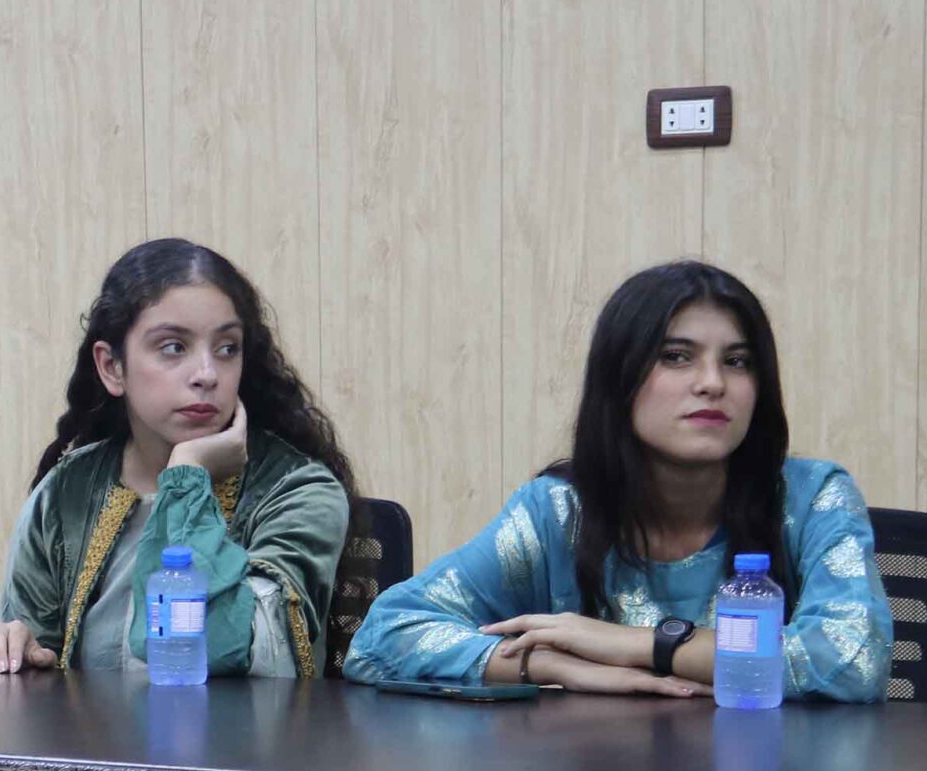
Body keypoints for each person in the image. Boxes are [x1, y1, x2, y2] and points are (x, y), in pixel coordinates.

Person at [346, 260, 891, 700]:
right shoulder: (559, 512)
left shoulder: (812, 498)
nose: (712, 383)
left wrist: (642, 645)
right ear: (620, 377)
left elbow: (852, 659)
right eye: (676, 357)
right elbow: (382, 637)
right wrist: (554, 665)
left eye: (738, 362)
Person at [0, 238, 356, 675]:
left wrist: (187, 476)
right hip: (90, 725)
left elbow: (210, 646)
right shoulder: (67, 491)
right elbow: (37, 677)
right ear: (112, 367)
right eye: (173, 347)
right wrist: (13, 650)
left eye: (227, 348)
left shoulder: (300, 491)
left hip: (243, 724)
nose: (207, 374)